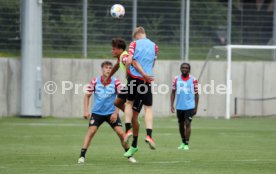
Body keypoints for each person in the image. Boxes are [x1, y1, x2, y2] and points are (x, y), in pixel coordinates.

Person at [77, 61, 136, 164]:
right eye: (106, 67)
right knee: (91, 132)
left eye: (110, 68)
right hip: (97, 113)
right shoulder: (95, 81)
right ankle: (82, 156)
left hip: (111, 113)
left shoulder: (116, 82)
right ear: (102, 69)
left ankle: (129, 155)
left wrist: (116, 113)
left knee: (121, 133)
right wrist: (86, 111)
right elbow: (87, 96)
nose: (108, 69)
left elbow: (121, 99)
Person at [104, 38, 142, 157]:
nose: (112, 50)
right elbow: (116, 66)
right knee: (117, 102)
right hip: (130, 85)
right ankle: (130, 117)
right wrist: (109, 77)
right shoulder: (120, 57)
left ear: (120, 49)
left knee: (134, 117)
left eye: (114, 49)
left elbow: (131, 63)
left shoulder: (125, 56)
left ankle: (134, 145)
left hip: (138, 85)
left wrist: (129, 72)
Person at [123, 26, 158, 157]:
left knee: (128, 103)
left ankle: (128, 130)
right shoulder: (154, 46)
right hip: (147, 80)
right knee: (148, 108)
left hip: (134, 78)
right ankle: (149, 135)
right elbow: (152, 63)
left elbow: (130, 61)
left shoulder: (134, 44)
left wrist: (128, 73)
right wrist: (146, 74)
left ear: (137, 35)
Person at [170, 62, 199, 150]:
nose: (184, 69)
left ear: (189, 70)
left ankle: (186, 143)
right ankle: (183, 141)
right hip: (179, 106)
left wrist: (195, 107)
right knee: (180, 125)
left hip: (190, 106)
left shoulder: (193, 79)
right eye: (183, 67)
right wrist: (171, 105)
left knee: (188, 123)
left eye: (186, 68)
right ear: (180, 69)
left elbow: (197, 94)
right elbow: (173, 92)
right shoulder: (176, 79)